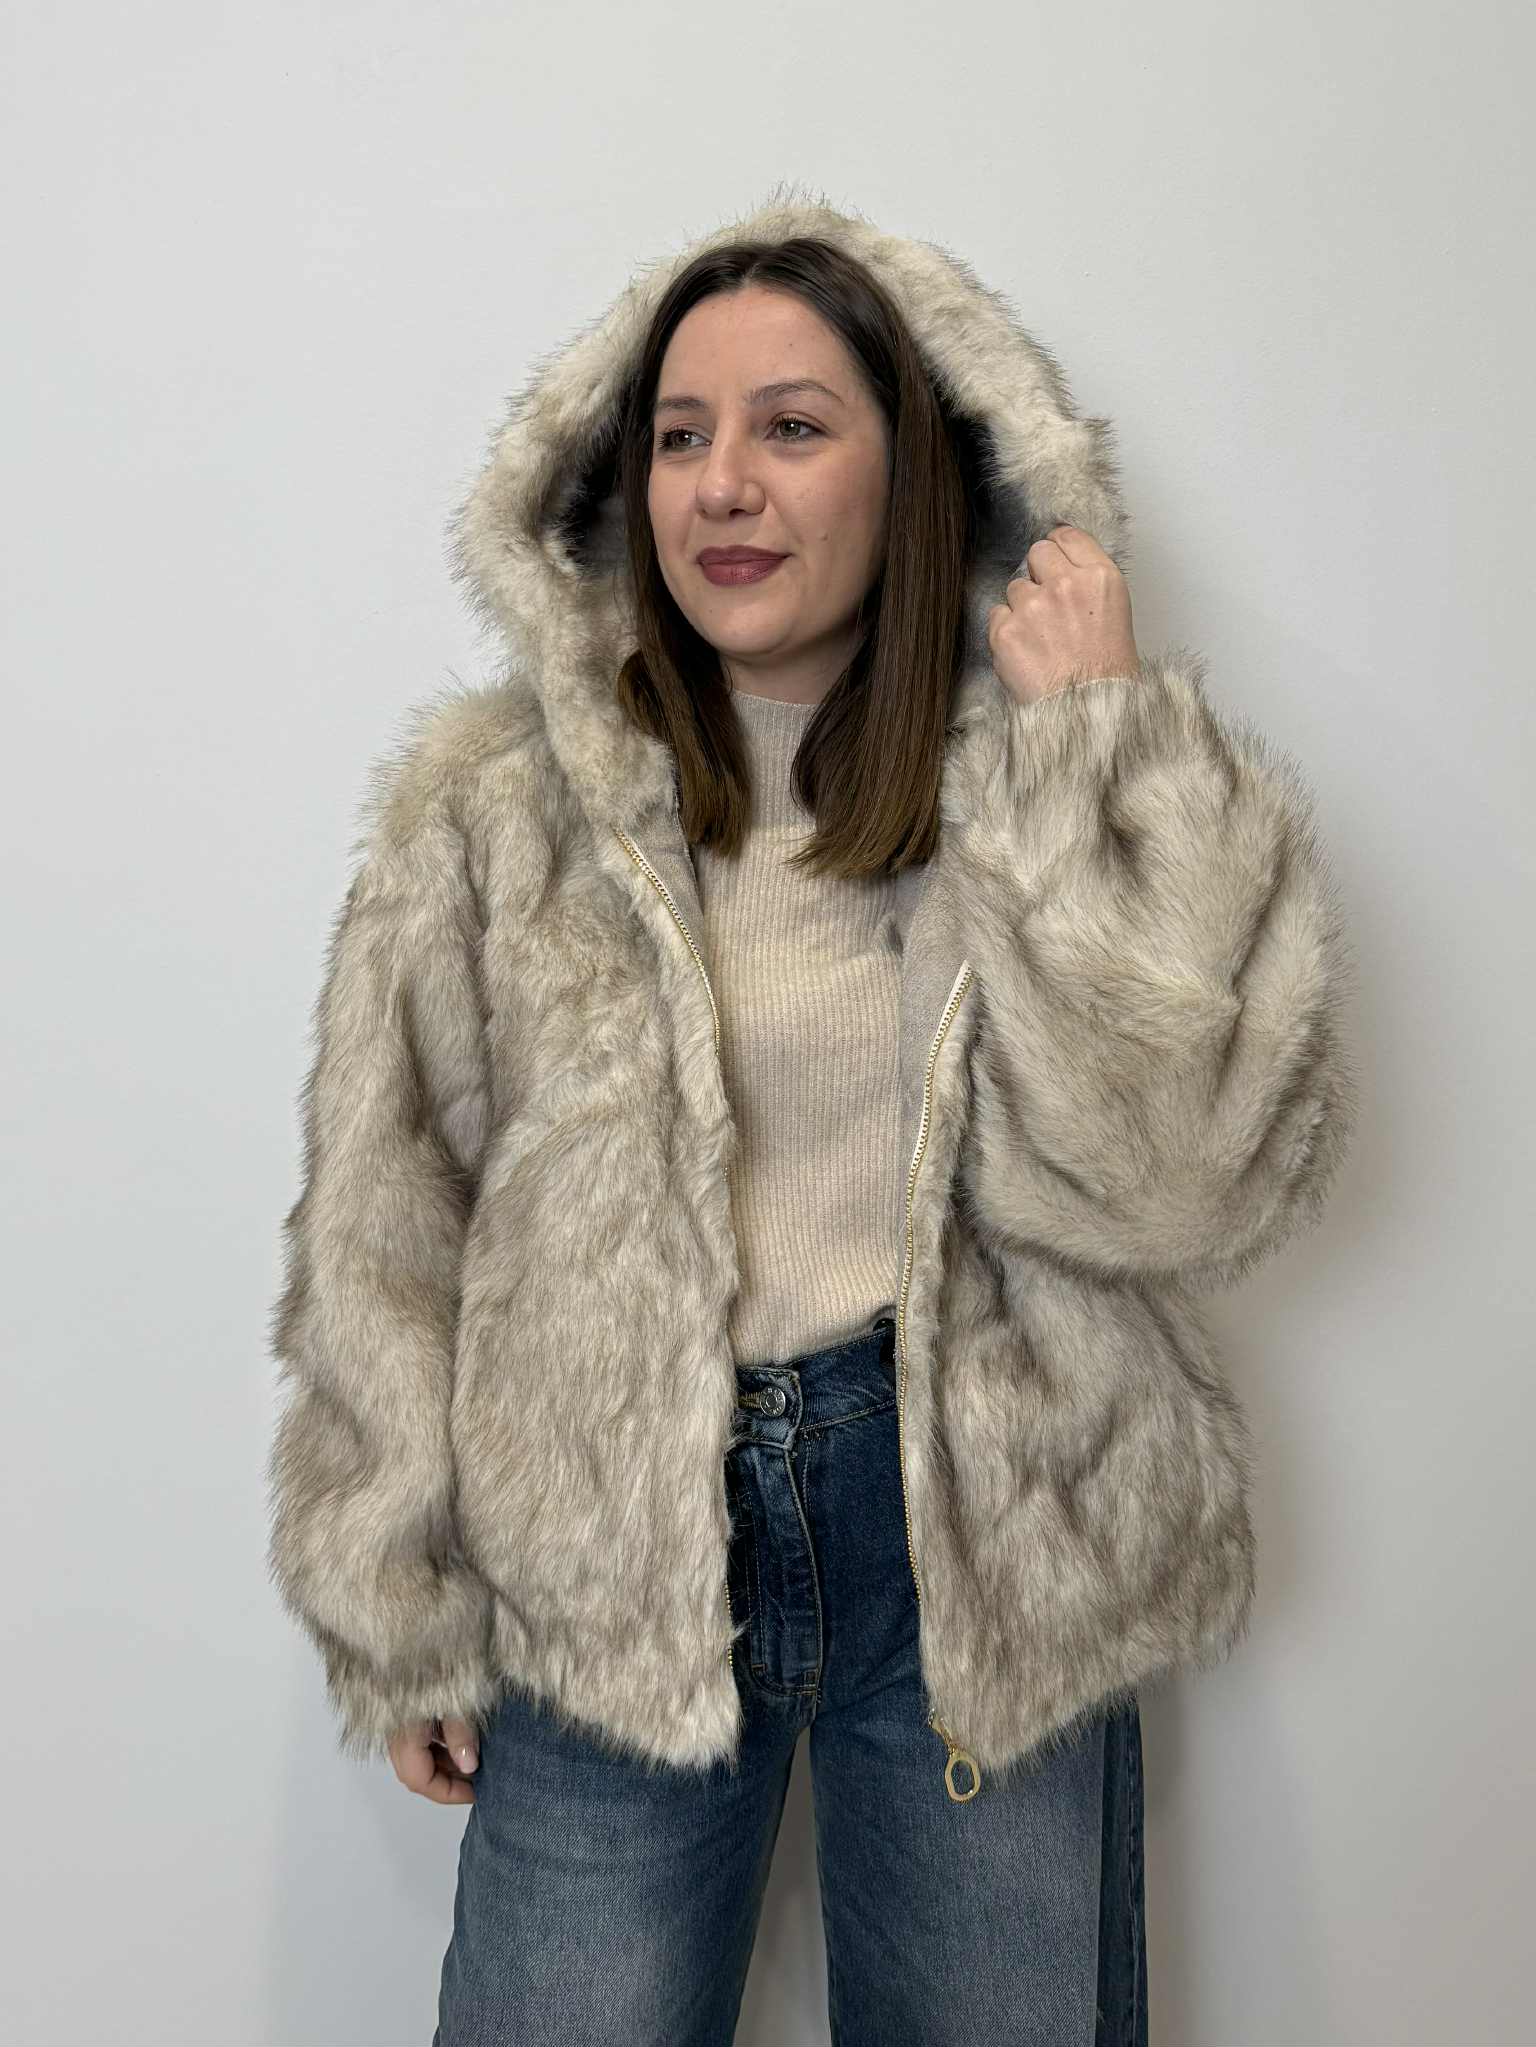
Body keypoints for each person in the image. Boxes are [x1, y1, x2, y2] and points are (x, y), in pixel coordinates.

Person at [264, 184, 1357, 2046]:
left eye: (790, 426)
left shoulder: (1036, 776)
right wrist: (397, 1587)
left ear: (910, 470)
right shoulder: (498, 816)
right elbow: (391, 1211)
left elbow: (1181, 1183)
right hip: (603, 1550)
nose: (722, 486)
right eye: (680, 436)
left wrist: (1096, 753)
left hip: (985, 1552)